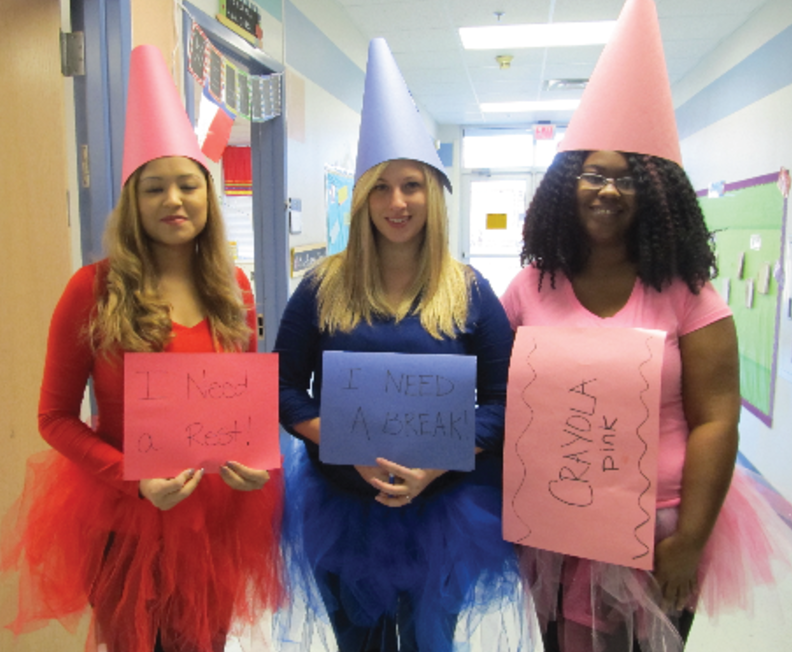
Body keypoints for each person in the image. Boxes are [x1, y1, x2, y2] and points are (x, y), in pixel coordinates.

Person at [500, 2, 791, 650]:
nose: (606, 190)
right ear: (565, 188)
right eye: (592, 174)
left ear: (657, 193)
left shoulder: (689, 296)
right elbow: (492, 392)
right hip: (557, 528)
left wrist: (691, 537)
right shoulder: (528, 289)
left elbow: (717, 416)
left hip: (662, 528)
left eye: (626, 176)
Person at [1, 45, 283, 652]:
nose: (173, 201)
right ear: (134, 201)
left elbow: (242, 407)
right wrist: (133, 479)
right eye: (155, 188)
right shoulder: (92, 289)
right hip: (126, 520)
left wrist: (257, 465)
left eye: (188, 185)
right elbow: (53, 418)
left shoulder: (234, 289)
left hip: (213, 519)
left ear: (209, 197)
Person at [274, 38, 524, 652]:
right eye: (381, 188)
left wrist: (438, 461)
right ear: (362, 199)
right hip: (342, 507)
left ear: (431, 195)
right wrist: (340, 443)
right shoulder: (322, 287)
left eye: (411, 185)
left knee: (429, 643)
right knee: (356, 644)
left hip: (443, 512)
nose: (397, 203)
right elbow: (279, 389)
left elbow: (508, 395)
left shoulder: (468, 290)